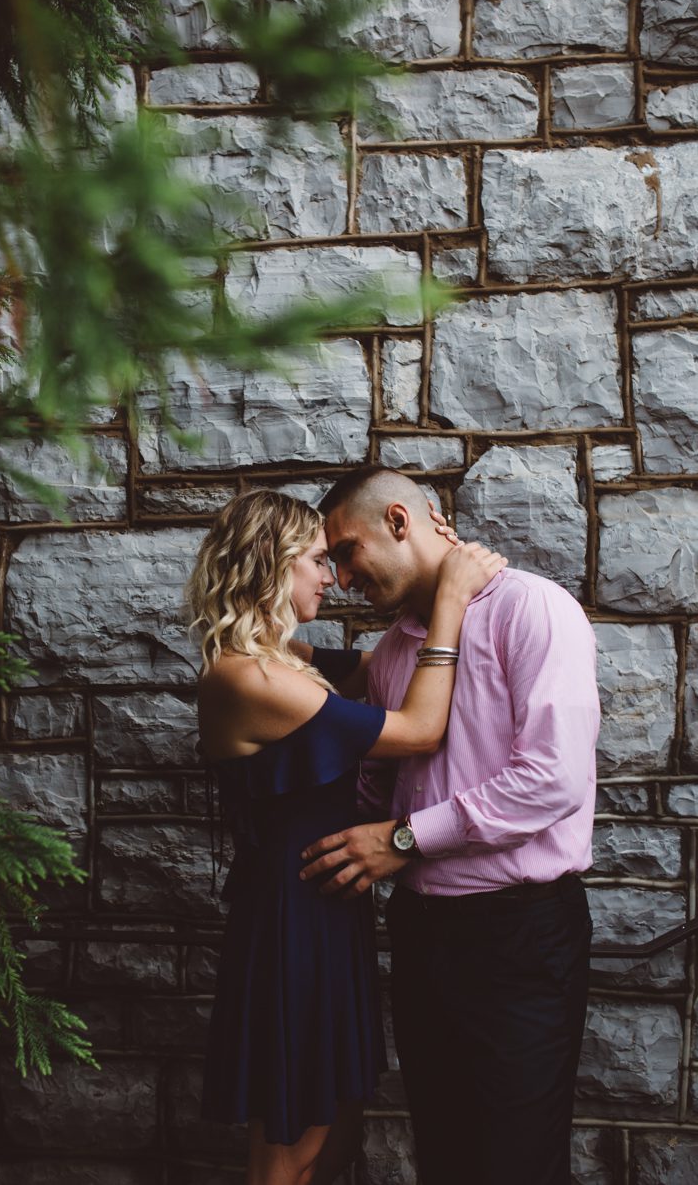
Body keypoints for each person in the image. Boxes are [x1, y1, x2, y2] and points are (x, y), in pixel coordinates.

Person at [187, 488, 505, 1185]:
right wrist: (449, 598)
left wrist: (426, 569)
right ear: (270, 564)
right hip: (290, 919)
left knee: (329, 1135)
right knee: (290, 1146)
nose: (329, 576)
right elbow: (419, 726)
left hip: (321, 905)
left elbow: (382, 666)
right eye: (314, 560)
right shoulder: (250, 678)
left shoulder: (285, 658)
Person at [301, 466, 600, 1185]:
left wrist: (403, 840)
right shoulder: (397, 653)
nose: (340, 580)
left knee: (515, 1163)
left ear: (399, 522)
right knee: (445, 1154)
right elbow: (381, 786)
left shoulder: (533, 608)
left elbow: (551, 779)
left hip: (519, 937)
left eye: (345, 552)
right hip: (421, 934)